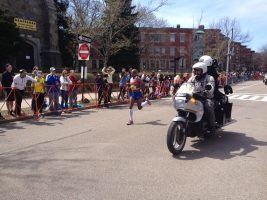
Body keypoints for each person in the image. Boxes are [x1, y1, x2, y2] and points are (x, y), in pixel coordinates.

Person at [187, 62, 216, 134]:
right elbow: (187, 85)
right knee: (186, 105)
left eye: (198, 70)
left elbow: (211, 86)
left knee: (208, 106)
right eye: (195, 70)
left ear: (203, 70)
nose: (196, 72)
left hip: (206, 98)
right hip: (194, 98)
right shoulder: (192, 78)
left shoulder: (209, 78)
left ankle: (212, 126)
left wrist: (207, 90)